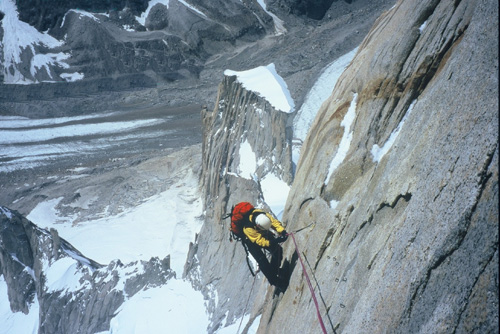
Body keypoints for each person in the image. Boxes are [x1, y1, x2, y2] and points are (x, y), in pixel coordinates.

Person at [241, 208, 289, 290]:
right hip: (251, 241)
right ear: (257, 226)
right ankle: (277, 282)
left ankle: (277, 271)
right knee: (264, 264)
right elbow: (259, 241)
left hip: (263, 232)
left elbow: (273, 222)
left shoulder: (263, 216)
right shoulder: (247, 228)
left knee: (277, 250)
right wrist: (273, 241)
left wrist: (282, 231)